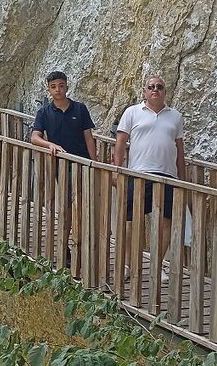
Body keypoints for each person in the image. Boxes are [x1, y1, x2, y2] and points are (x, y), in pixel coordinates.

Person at [113, 76, 186, 282]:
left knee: (166, 221)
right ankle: (129, 264)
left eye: (159, 87)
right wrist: (117, 170)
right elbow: (120, 143)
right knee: (130, 220)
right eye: (151, 87)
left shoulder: (175, 116)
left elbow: (180, 150)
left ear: (165, 91)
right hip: (138, 173)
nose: (155, 90)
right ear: (144, 91)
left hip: (167, 175)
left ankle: (157, 263)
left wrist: (183, 179)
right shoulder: (132, 112)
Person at [30, 71, 97, 267]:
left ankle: (85, 246)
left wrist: (94, 163)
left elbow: (88, 137)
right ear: (49, 89)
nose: (58, 90)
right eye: (53, 87)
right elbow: (35, 137)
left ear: (67, 86)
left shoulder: (80, 109)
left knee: (85, 206)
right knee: (67, 207)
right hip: (63, 165)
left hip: (83, 163)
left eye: (61, 85)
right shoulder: (44, 112)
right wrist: (49, 145)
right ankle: (65, 246)